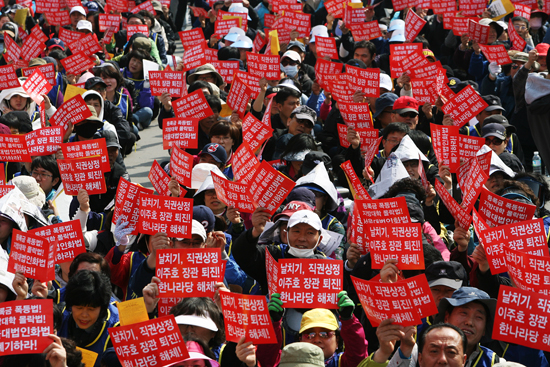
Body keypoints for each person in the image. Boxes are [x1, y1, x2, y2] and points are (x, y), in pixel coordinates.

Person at [58, 270, 119, 367]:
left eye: (91, 309)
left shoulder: (117, 328)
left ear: (102, 308)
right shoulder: (58, 317)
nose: (84, 315)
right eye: (79, 308)